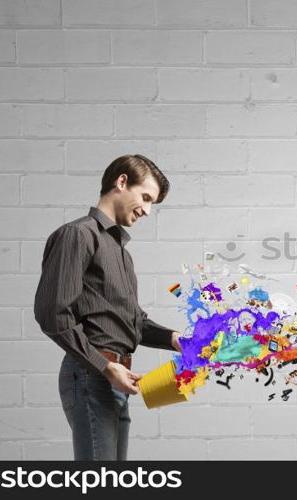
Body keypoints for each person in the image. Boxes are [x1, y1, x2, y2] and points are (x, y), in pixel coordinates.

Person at [34, 154, 182, 460]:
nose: (147, 210)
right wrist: (104, 366)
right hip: (92, 375)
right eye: (145, 198)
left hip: (114, 378)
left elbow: (132, 322)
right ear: (122, 181)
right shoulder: (78, 235)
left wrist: (174, 339)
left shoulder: (121, 254)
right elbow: (53, 314)